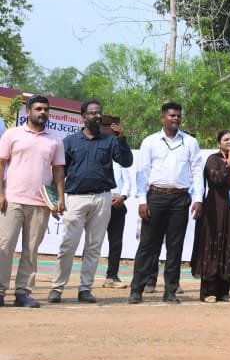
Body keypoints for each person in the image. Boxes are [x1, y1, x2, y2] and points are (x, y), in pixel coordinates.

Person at [49, 100, 132, 304]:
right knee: (68, 245)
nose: (97, 116)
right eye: (92, 113)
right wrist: (54, 199)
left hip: (102, 198)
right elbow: (59, 174)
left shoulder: (110, 141)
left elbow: (126, 161)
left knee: (94, 247)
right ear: (83, 117)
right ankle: (57, 288)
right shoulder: (69, 142)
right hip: (76, 198)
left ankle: (85, 289)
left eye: (99, 113)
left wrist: (122, 138)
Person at [130, 101, 204, 305]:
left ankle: (170, 291)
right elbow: (142, 173)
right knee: (147, 246)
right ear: (163, 117)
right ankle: (137, 289)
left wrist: (198, 199)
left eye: (178, 116)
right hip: (155, 197)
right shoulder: (150, 141)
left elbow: (197, 171)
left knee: (175, 247)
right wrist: (142, 200)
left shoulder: (190, 142)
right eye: (172, 115)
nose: (176, 119)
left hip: (180, 198)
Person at [0, 95, 67, 308]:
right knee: (5, 246)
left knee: (31, 250)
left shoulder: (55, 140)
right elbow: (1, 165)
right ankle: (0, 291)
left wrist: (60, 198)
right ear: (28, 111)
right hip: (12, 200)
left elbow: (58, 171)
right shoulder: (12, 134)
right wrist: (1, 194)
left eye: (46, 109)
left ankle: (23, 293)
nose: (43, 112)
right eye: (38, 108)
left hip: (40, 202)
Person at [190, 131, 230, 303]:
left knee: (229, 247)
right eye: (226, 139)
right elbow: (215, 179)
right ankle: (208, 291)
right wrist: (228, 161)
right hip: (216, 209)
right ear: (219, 143)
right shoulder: (213, 159)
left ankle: (223, 291)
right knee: (213, 246)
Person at [102, 154, 134, 288]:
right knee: (92, 241)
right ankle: (86, 278)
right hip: (99, 201)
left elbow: (127, 181)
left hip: (117, 203)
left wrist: (123, 196)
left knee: (115, 242)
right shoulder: (95, 157)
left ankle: (112, 277)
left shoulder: (118, 161)